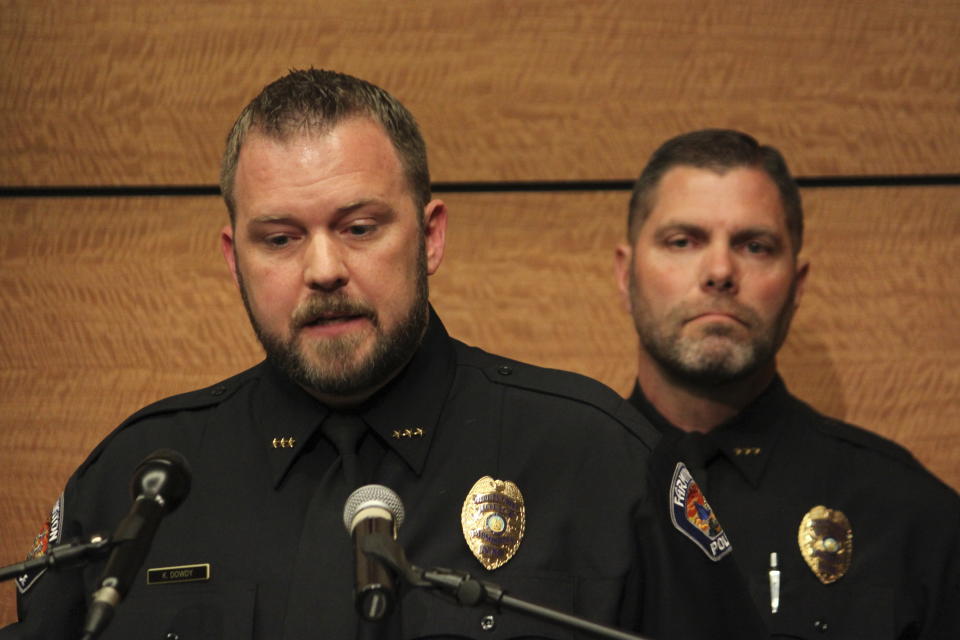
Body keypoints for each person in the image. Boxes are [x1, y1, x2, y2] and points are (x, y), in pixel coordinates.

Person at [2, 71, 765, 639]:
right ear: (235, 259)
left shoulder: (599, 461)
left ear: (430, 236)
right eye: (281, 238)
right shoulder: (139, 486)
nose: (324, 269)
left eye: (360, 227)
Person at [613, 128, 960, 639]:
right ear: (626, 275)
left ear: (797, 286)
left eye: (755, 246)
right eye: (682, 241)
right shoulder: (561, 498)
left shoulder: (911, 520)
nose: (719, 271)